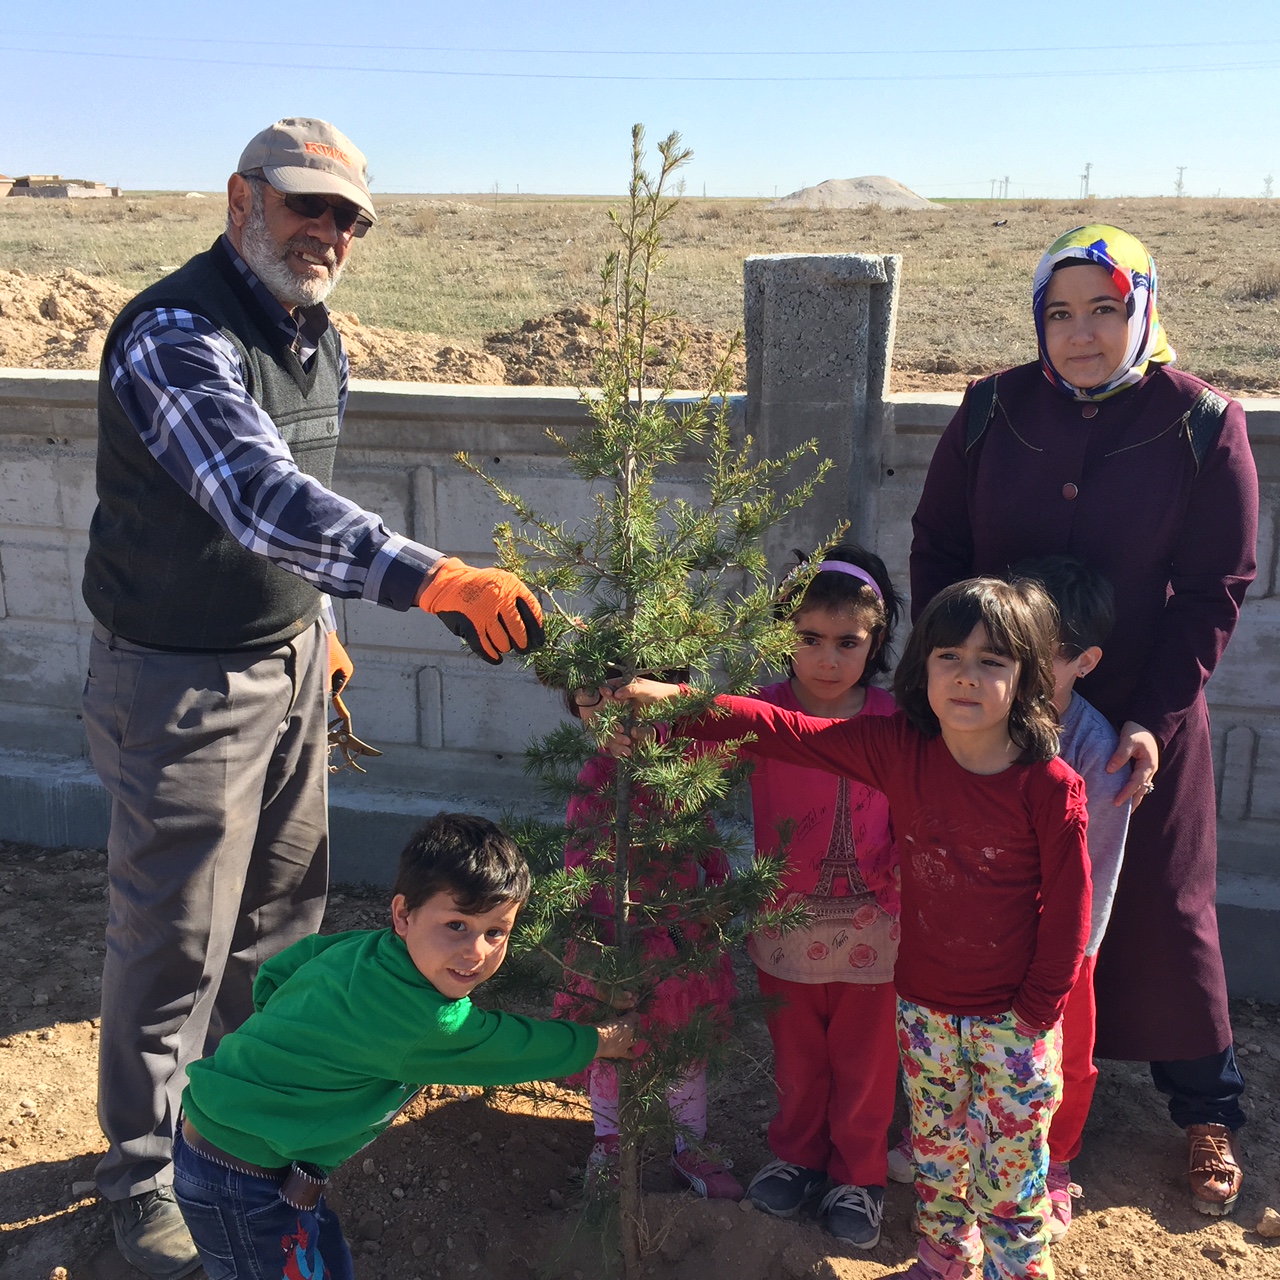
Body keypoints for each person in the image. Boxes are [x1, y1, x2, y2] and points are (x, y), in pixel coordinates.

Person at [80, 117, 544, 1278]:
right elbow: (251, 492)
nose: (327, 232)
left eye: (346, 217)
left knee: (282, 912)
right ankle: (141, 1171)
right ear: (241, 198)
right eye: (304, 206)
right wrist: (429, 577)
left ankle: (241, 1128)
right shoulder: (177, 332)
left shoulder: (311, 336)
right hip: (180, 676)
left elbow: (304, 495)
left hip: (284, 659)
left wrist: (322, 625)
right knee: (173, 938)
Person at [909, 224, 1259, 1218]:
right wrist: (950, 676)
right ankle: (1006, 1102)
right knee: (997, 903)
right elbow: (936, 544)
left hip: (1142, 714)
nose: (1078, 333)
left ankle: (1203, 1108)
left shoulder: (1199, 422)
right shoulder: (990, 409)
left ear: (1139, 311)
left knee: (1163, 906)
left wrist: (1149, 715)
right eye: (1058, 312)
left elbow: (1212, 589)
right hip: (997, 714)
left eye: (1103, 308)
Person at [612, 577, 1091, 1280]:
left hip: (1012, 1023)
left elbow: (1070, 918)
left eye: (992, 661)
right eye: (949, 656)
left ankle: (1016, 1271)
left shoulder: (1049, 787)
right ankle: (943, 1263)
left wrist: (1033, 1013)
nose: (966, 676)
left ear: (1026, 678)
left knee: (1011, 1177)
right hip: (925, 1008)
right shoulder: (899, 748)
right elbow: (786, 729)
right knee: (936, 1154)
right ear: (920, 666)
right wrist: (675, 702)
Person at [172, 813, 639, 1280]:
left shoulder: (369, 950)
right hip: (240, 1177)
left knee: (324, 1261)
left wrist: (291, 1035)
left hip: (247, 1148)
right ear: (403, 915)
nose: (476, 951)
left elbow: (285, 969)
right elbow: (509, 1047)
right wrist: (598, 1042)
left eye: (495, 932)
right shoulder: (421, 1020)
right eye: (456, 925)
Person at [736, 546, 902, 1249]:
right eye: (809, 640)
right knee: (797, 1058)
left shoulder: (900, 720)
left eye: (848, 643)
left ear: (877, 641)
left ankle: (859, 1176)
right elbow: (688, 747)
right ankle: (798, 1157)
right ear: (783, 638)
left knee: (866, 1066)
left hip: (880, 927)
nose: (828, 659)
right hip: (784, 920)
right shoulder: (759, 712)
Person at [554, 683, 743, 1201]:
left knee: (688, 1047)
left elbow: (703, 836)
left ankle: (689, 1146)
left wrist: (719, 889)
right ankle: (610, 1144)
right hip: (613, 939)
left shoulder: (677, 771)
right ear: (577, 710)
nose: (615, 717)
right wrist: (589, 934)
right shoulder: (594, 778)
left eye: (627, 701)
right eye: (593, 702)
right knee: (612, 1046)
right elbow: (578, 856)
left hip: (681, 938)